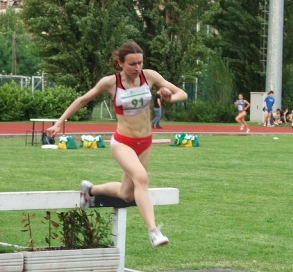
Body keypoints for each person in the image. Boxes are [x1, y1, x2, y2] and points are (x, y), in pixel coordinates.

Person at [46, 41, 188, 247]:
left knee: (126, 193)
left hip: (145, 142)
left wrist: (168, 97)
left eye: (140, 63)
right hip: (123, 142)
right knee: (141, 178)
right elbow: (82, 100)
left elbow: (181, 93)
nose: (137, 68)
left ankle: (90, 190)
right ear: (120, 63)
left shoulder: (150, 76)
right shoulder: (111, 82)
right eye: (132, 64)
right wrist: (58, 123)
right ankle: (153, 231)